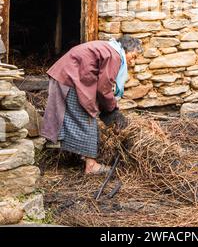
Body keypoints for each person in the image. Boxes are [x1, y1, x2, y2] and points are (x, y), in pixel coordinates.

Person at [41, 35, 142, 174]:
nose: (133, 61)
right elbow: (103, 88)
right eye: (134, 56)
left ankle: (76, 155)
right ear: (127, 49)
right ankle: (91, 165)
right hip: (69, 78)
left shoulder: (110, 49)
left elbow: (100, 84)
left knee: (77, 116)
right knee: (87, 116)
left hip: (66, 76)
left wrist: (108, 106)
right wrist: (112, 108)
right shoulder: (115, 56)